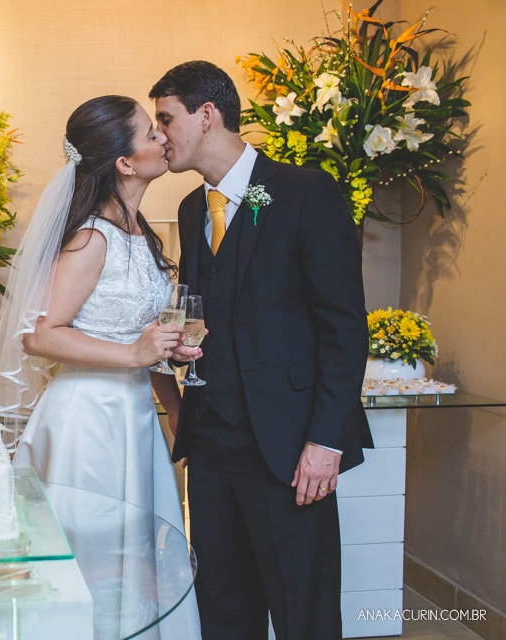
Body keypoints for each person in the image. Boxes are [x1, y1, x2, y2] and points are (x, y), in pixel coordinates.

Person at [151, 61, 373, 640]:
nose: (160, 135)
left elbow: (345, 327)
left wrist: (326, 441)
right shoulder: (193, 209)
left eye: (166, 119)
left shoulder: (304, 192)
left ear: (207, 114)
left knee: (304, 612)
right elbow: (208, 310)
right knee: (223, 607)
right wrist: (179, 344)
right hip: (212, 444)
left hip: (290, 447)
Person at [0, 95, 202, 638]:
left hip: (133, 419)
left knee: (136, 557)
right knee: (95, 557)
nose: (163, 140)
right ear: (124, 163)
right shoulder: (92, 237)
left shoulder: (137, 232)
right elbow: (38, 334)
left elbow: (139, 339)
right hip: (88, 422)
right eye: (151, 133)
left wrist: (174, 406)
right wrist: (134, 353)